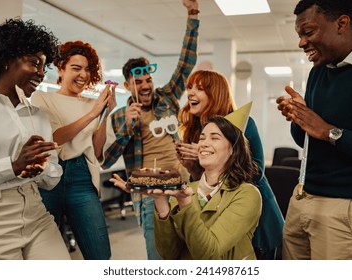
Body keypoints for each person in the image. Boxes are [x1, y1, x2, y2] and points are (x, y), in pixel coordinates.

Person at [276, 0, 352, 260]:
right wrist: (300, 118)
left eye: (308, 33)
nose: (301, 43)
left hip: (350, 209)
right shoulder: (318, 72)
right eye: (299, 35)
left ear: (341, 23)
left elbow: (326, 133)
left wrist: (331, 132)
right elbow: (306, 140)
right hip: (303, 199)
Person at [102, 0, 200, 260]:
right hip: (149, 191)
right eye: (138, 82)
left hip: (181, 183)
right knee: (158, 256)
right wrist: (127, 128)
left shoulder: (166, 97)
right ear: (127, 85)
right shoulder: (119, 116)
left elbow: (186, 62)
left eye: (148, 79)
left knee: (188, 251)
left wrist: (193, 15)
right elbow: (106, 160)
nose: (145, 85)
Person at [111, 116, 262, 259]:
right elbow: (169, 254)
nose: (203, 143)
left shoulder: (247, 194)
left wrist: (185, 203)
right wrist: (161, 202)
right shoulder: (186, 189)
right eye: (202, 138)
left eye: (215, 138)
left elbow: (209, 255)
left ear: (233, 149)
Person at [176, 70, 284, 259]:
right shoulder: (193, 129)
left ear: (215, 93)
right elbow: (202, 182)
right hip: (213, 217)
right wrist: (193, 167)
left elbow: (256, 171)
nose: (190, 93)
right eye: (189, 87)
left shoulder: (243, 124)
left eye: (199, 88)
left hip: (252, 218)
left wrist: (218, 160)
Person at [0, 18, 70, 259]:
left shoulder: (38, 116)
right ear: (5, 60)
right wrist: (13, 167)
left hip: (36, 212)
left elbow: (51, 180)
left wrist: (40, 168)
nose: (41, 73)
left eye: (45, 67)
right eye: (34, 63)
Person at [31, 40, 117, 260]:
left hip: (82, 178)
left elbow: (97, 151)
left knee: (100, 255)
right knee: (48, 257)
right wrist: (93, 112)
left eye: (87, 69)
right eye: (76, 68)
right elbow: (54, 139)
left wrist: (106, 113)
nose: (83, 75)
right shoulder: (43, 98)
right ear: (60, 68)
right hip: (49, 179)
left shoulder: (93, 104)